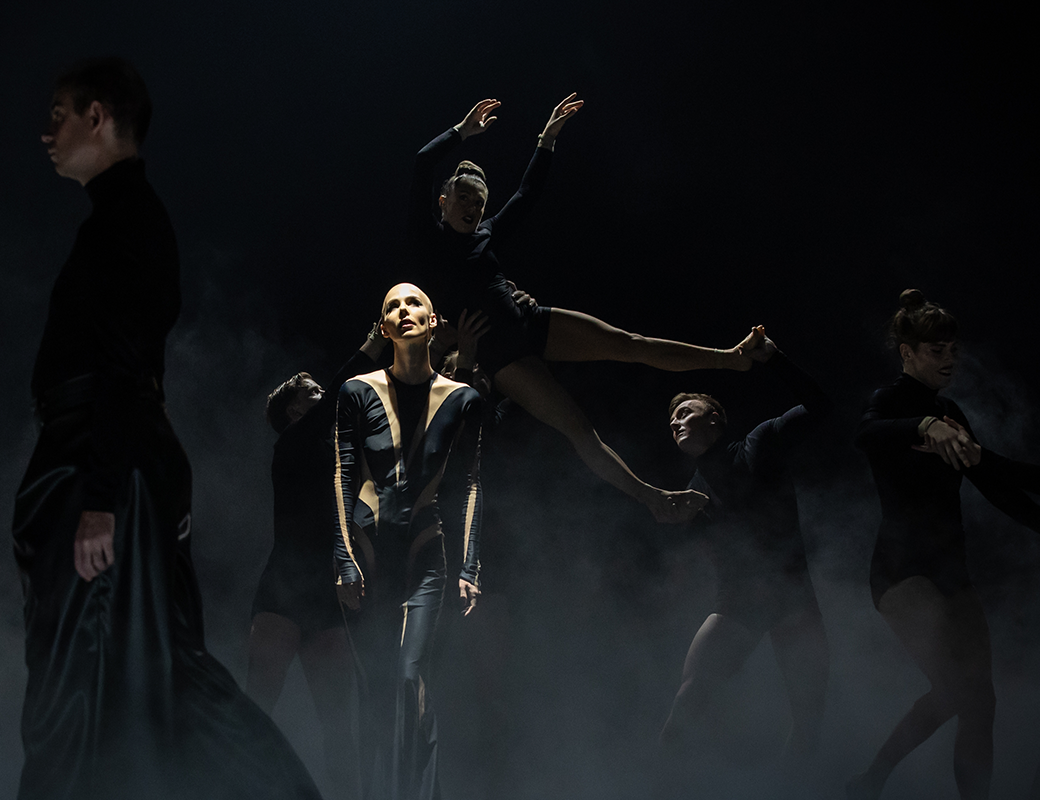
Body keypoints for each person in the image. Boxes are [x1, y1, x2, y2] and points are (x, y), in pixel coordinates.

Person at [13, 57, 320, 800]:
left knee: (89, 676)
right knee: (150, 671)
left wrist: (100, 497)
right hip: (113, 461)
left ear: (98, 117)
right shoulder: (124, 218)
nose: (46, 131)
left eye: (59, 114)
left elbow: (123, 364)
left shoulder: (125, 222)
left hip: (99, 464)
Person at [408, 95, 764, 524]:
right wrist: (461, 132)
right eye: (464, 197)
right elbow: (422, 163)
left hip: (530, 321)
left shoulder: (486, 235)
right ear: (443, 201)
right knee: (577, 428)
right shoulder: (428, 240)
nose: (472, 207)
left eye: (479, 202)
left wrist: (546, 140)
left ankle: (729, 358)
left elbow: (527, 194)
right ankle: (653, 498)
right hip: (502, 354)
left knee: (629, 342)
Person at [847, 290, 1040, 800]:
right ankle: (872, 779)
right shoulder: (890, 401)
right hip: (902, 571)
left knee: (981, 702)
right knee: (957, 690)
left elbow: (996, 479)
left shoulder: (950, 411)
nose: (950, 359)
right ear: (907, 352)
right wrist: (921, 424)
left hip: (952, 570)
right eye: (937, 350)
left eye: (954, 349)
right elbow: (866, 434)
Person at [655, 328, 832, 795]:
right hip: (739, 604)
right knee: (689, 702)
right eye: (671, 419)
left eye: (685, 412)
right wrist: (667, 517)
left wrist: (775, 359)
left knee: (808, 723)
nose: (675, 422)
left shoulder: (759, 443)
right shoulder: (692, 493)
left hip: (794, 597)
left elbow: (821, 406)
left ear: (715, 419)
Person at [333, 283, 484, 800]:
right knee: (376, 687)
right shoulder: (356, 392)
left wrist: (470, 566)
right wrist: (344, 560)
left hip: (425, 555)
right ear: (384, 328)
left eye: (413, 302)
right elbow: (342, 475)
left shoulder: (464, 400)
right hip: (367, 553)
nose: (403, 310)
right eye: (392, 307)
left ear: (433, 321)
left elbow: (470, 483)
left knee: (409, 676)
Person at [246, 325, 389, 798]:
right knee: (257, 709)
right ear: (294, 411)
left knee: (338, 725)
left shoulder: (337, 457)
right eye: (312, 392)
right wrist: (373, 343)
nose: (323, 394)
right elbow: (342, 394)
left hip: (326, 595)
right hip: (284, 589)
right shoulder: (291, 442)